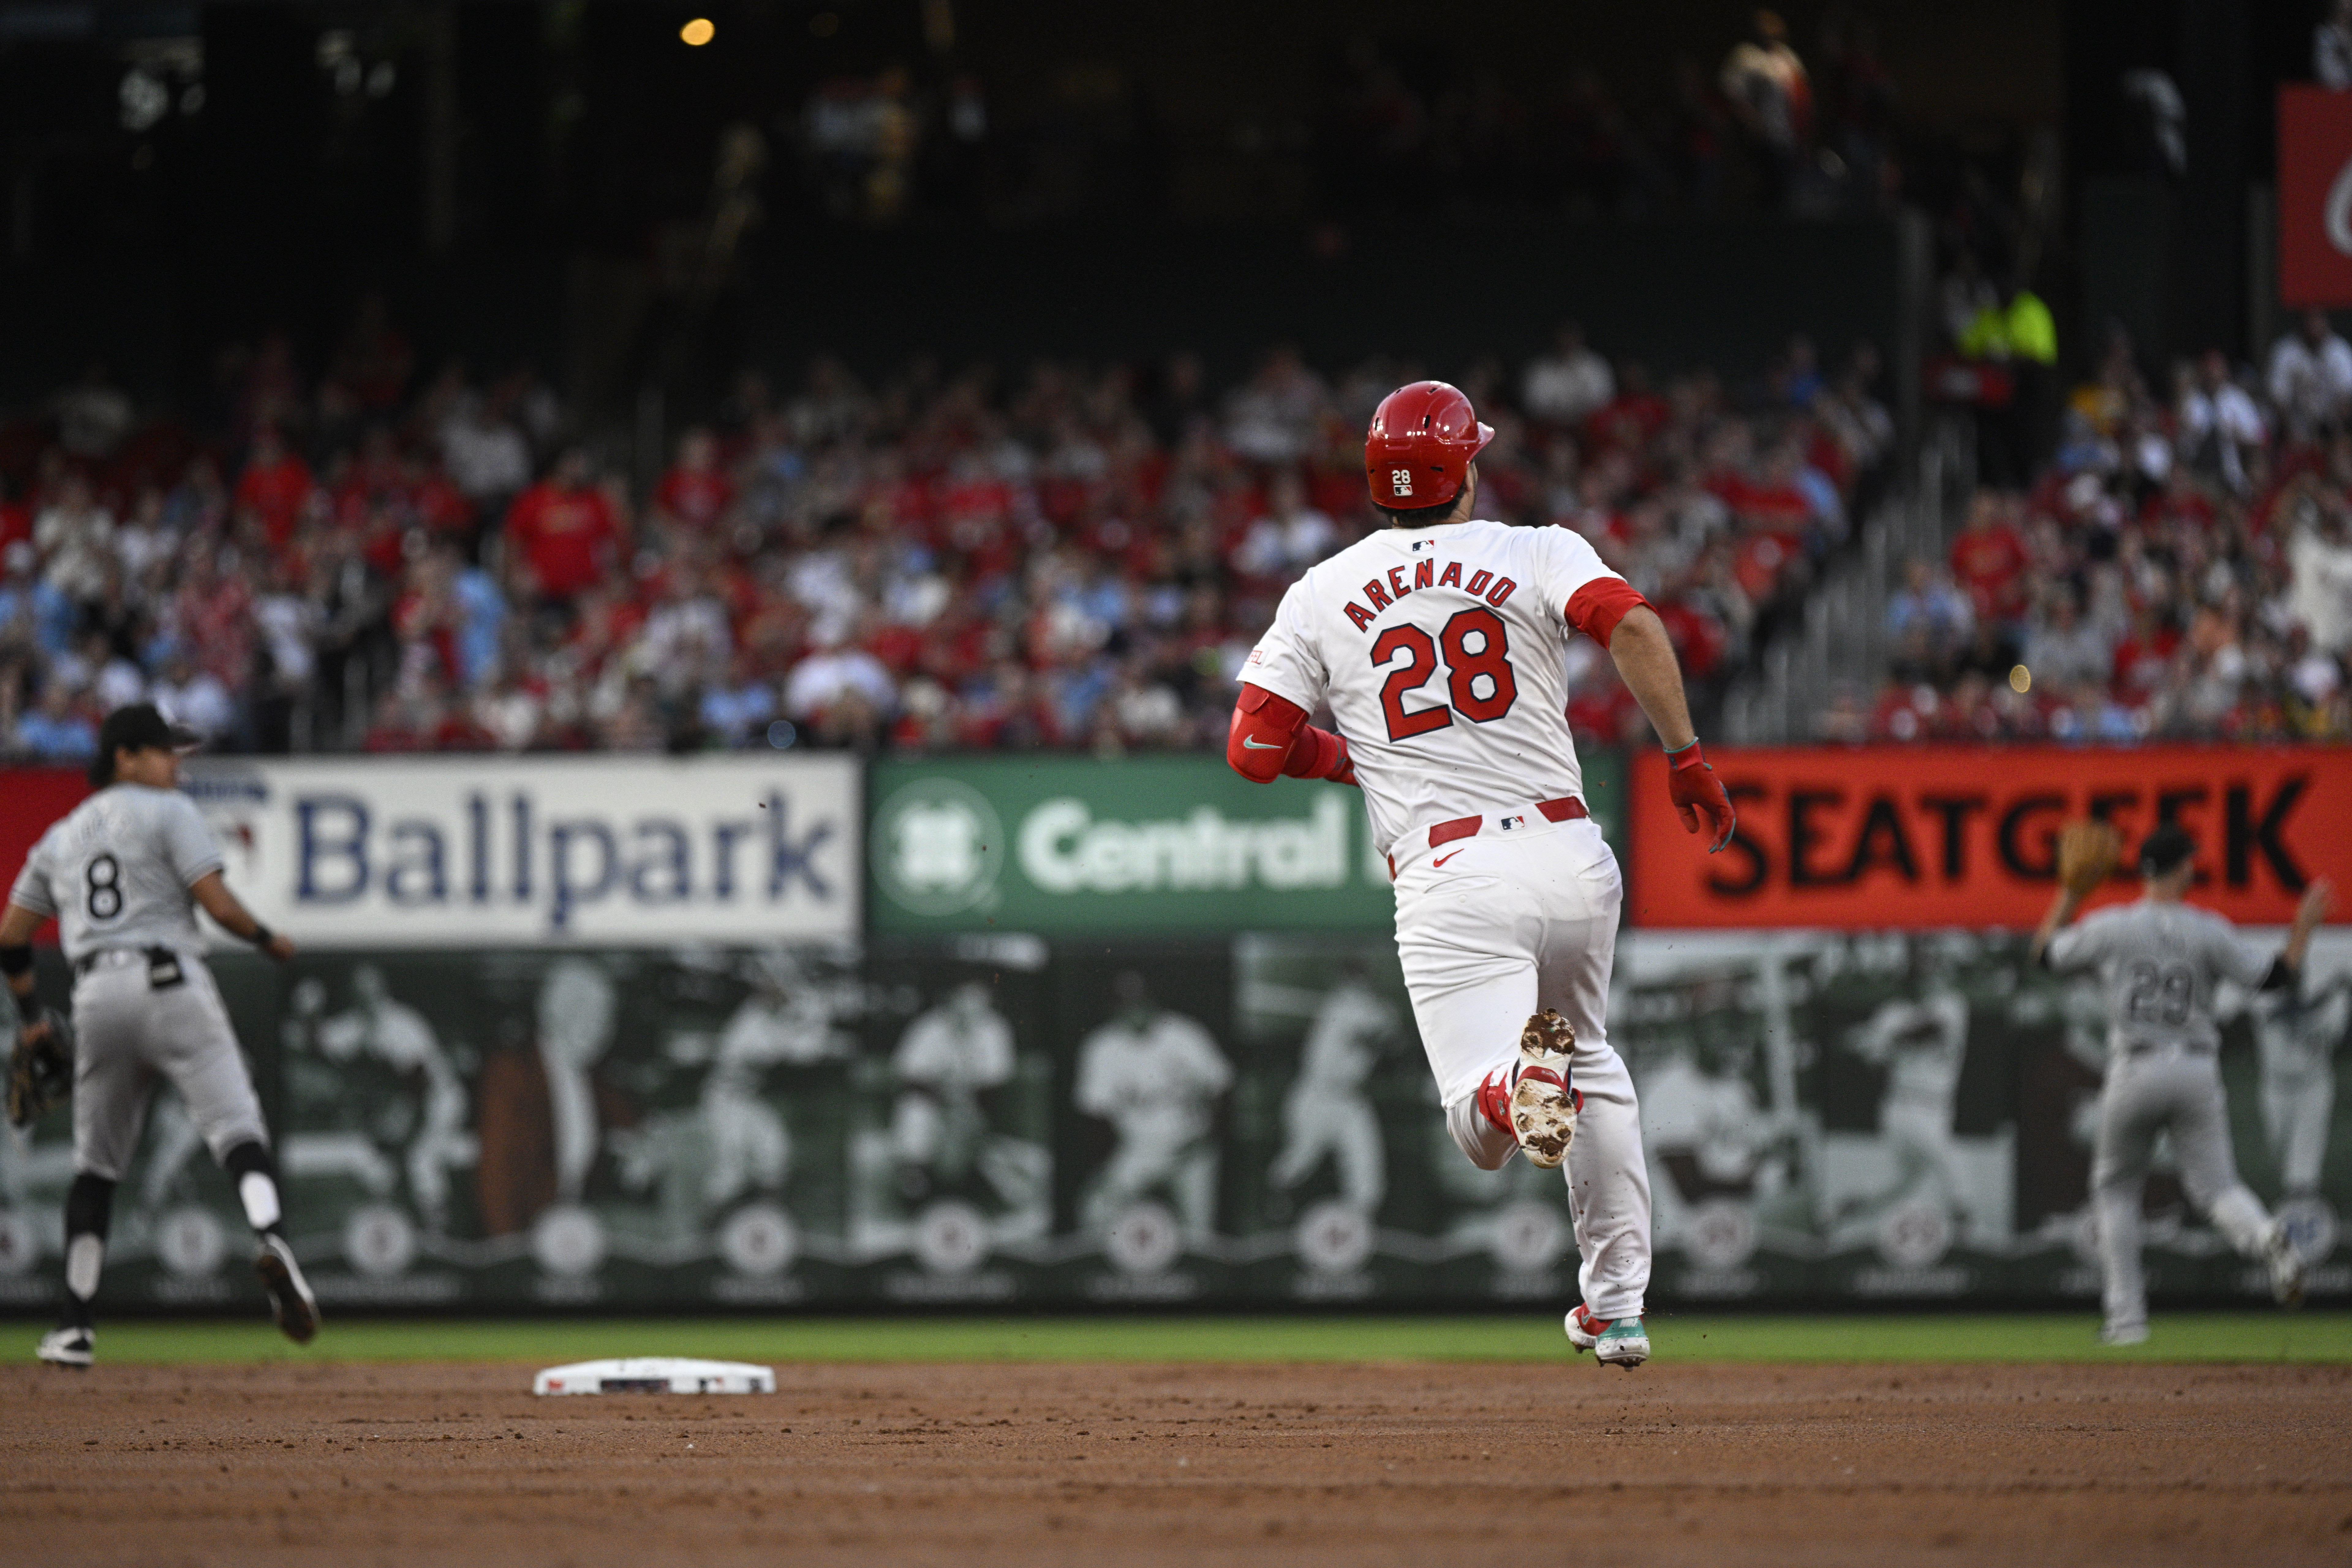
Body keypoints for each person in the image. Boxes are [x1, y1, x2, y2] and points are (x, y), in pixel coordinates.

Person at [1227, 380, 1736, 1368]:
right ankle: (1617, 1308)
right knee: (1592, 1059)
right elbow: (1632, 626)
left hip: (1453, 867)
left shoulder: (1322, 590)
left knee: (1481, 1122)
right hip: (1571, 852)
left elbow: (1254, 746)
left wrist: (1347, 759)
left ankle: (1514, 1085)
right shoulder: (1535, 547)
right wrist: (1685, 758)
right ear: (1466, 467)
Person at [2, 703, 314, 1367]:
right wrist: (268, 938)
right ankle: (272, 1238)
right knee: (237, 1128)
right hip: (172, 982)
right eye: (164, 751)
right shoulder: (167, 811)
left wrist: (32, 1022)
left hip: (97, 995)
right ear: (125, 757)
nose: (177, 762)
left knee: (96, 1167)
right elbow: (217, 902)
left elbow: (12, 939)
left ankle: (75, 1326)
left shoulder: (58, 838)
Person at [2032, 823, 2332, 1345]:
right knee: (2218, 1188)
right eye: (2190, 860)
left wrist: (2071, 894)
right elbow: (2276, 978)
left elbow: (2043, 956)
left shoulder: (2113, 925)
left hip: (2135, 1068)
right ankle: (2266, 1236)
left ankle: (2127, 1322)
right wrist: (2303, 926)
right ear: (2182, 868)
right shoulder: (2208, 929)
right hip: (2195, 1067)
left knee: (2116, 1190)